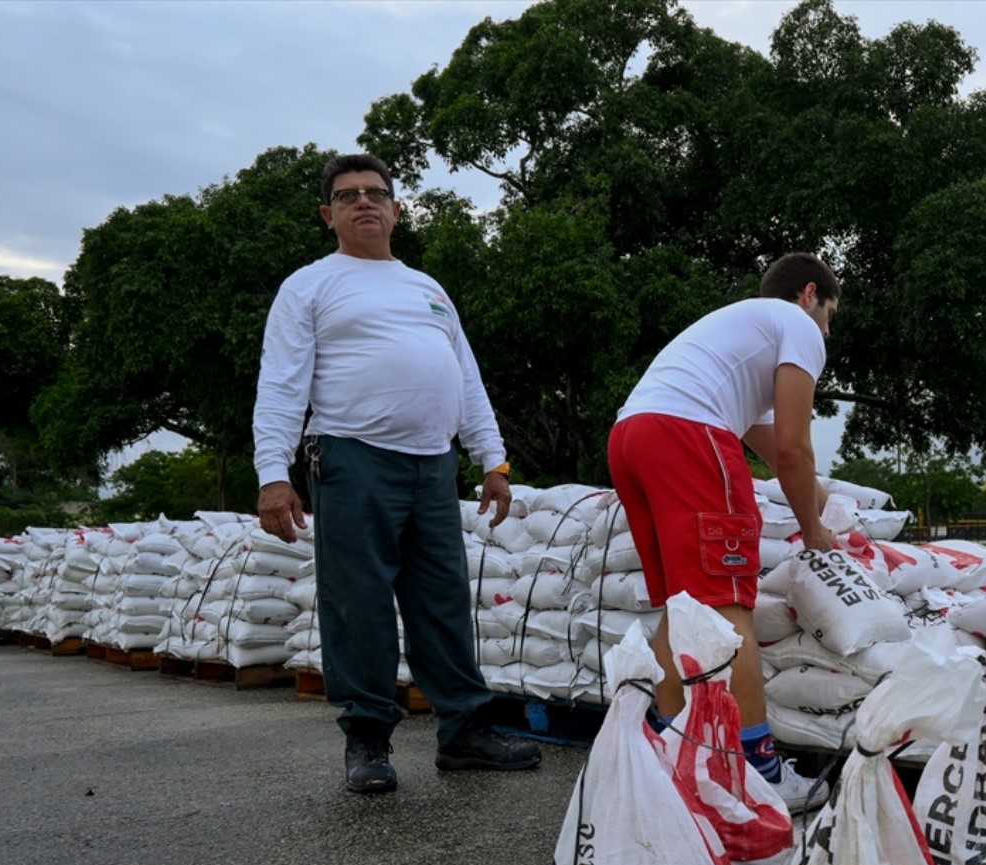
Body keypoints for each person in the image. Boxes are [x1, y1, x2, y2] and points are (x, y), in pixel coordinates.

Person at [253, 152, 540, 794]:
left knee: (441, 598)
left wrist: (490, 459)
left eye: (376, 193)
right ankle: (367, 739)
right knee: (359, 603)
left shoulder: (428, 288)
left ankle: (465, 733)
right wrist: (274, 473)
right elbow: (280, 385)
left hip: (433, 465)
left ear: (397, 209)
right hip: (353, 458)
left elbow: (465, 378)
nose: (364, 203)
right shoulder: (311, 285)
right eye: (349, 195)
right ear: (329, 214)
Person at [608, 253, 842, 813]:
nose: (828, 331)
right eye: (831, 316)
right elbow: (792, 447)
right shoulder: (798, 327)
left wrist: (825, 501)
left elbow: (768, 445)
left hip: (630, 437)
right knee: (728, 602)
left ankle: (672, 750)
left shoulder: (739, 331)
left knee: (682, 606)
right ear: (810, 294)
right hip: (688, 437)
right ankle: (758, 769)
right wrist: (812, 530)